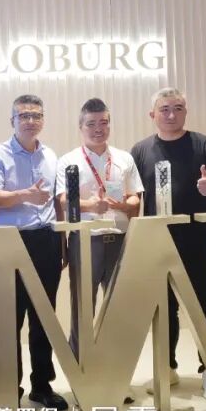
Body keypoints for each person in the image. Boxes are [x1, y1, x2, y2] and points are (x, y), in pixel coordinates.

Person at [131, 88, 206, 403]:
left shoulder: (203, 144)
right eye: (164, 109)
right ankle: (167, 368)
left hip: (196, 240)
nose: (171, 114)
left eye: (178, 108)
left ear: (186, 111)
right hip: (156, 241)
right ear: (153, 114)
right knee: (162, 308)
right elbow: (134, 197)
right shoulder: (140, 150)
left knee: (202, 304)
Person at [0, 95, 68, 411]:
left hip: (46, 240)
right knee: (12, 319)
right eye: (24, 115)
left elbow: (57, 202)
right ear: (13, 121)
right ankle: (10, 388)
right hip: (11, 242)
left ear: (43, 120)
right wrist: (24, 196)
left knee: (44, 316)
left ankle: (42, 386)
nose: (30, 120)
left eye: (36, 115)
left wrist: (62, 242)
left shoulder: (51, 155)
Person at [57, 98, 142, 362]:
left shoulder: (124, 158)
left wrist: (125, 204)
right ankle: (81, 367)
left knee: (119, 307)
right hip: (86, 240)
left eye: (103, 123)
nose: (98, 129)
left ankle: (115, 368)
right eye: (91, 124)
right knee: (83, 306)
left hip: (120, 239)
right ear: (81, 126)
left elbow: (135, 198)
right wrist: (91, 205)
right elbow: (63, 200)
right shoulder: (69, 160)